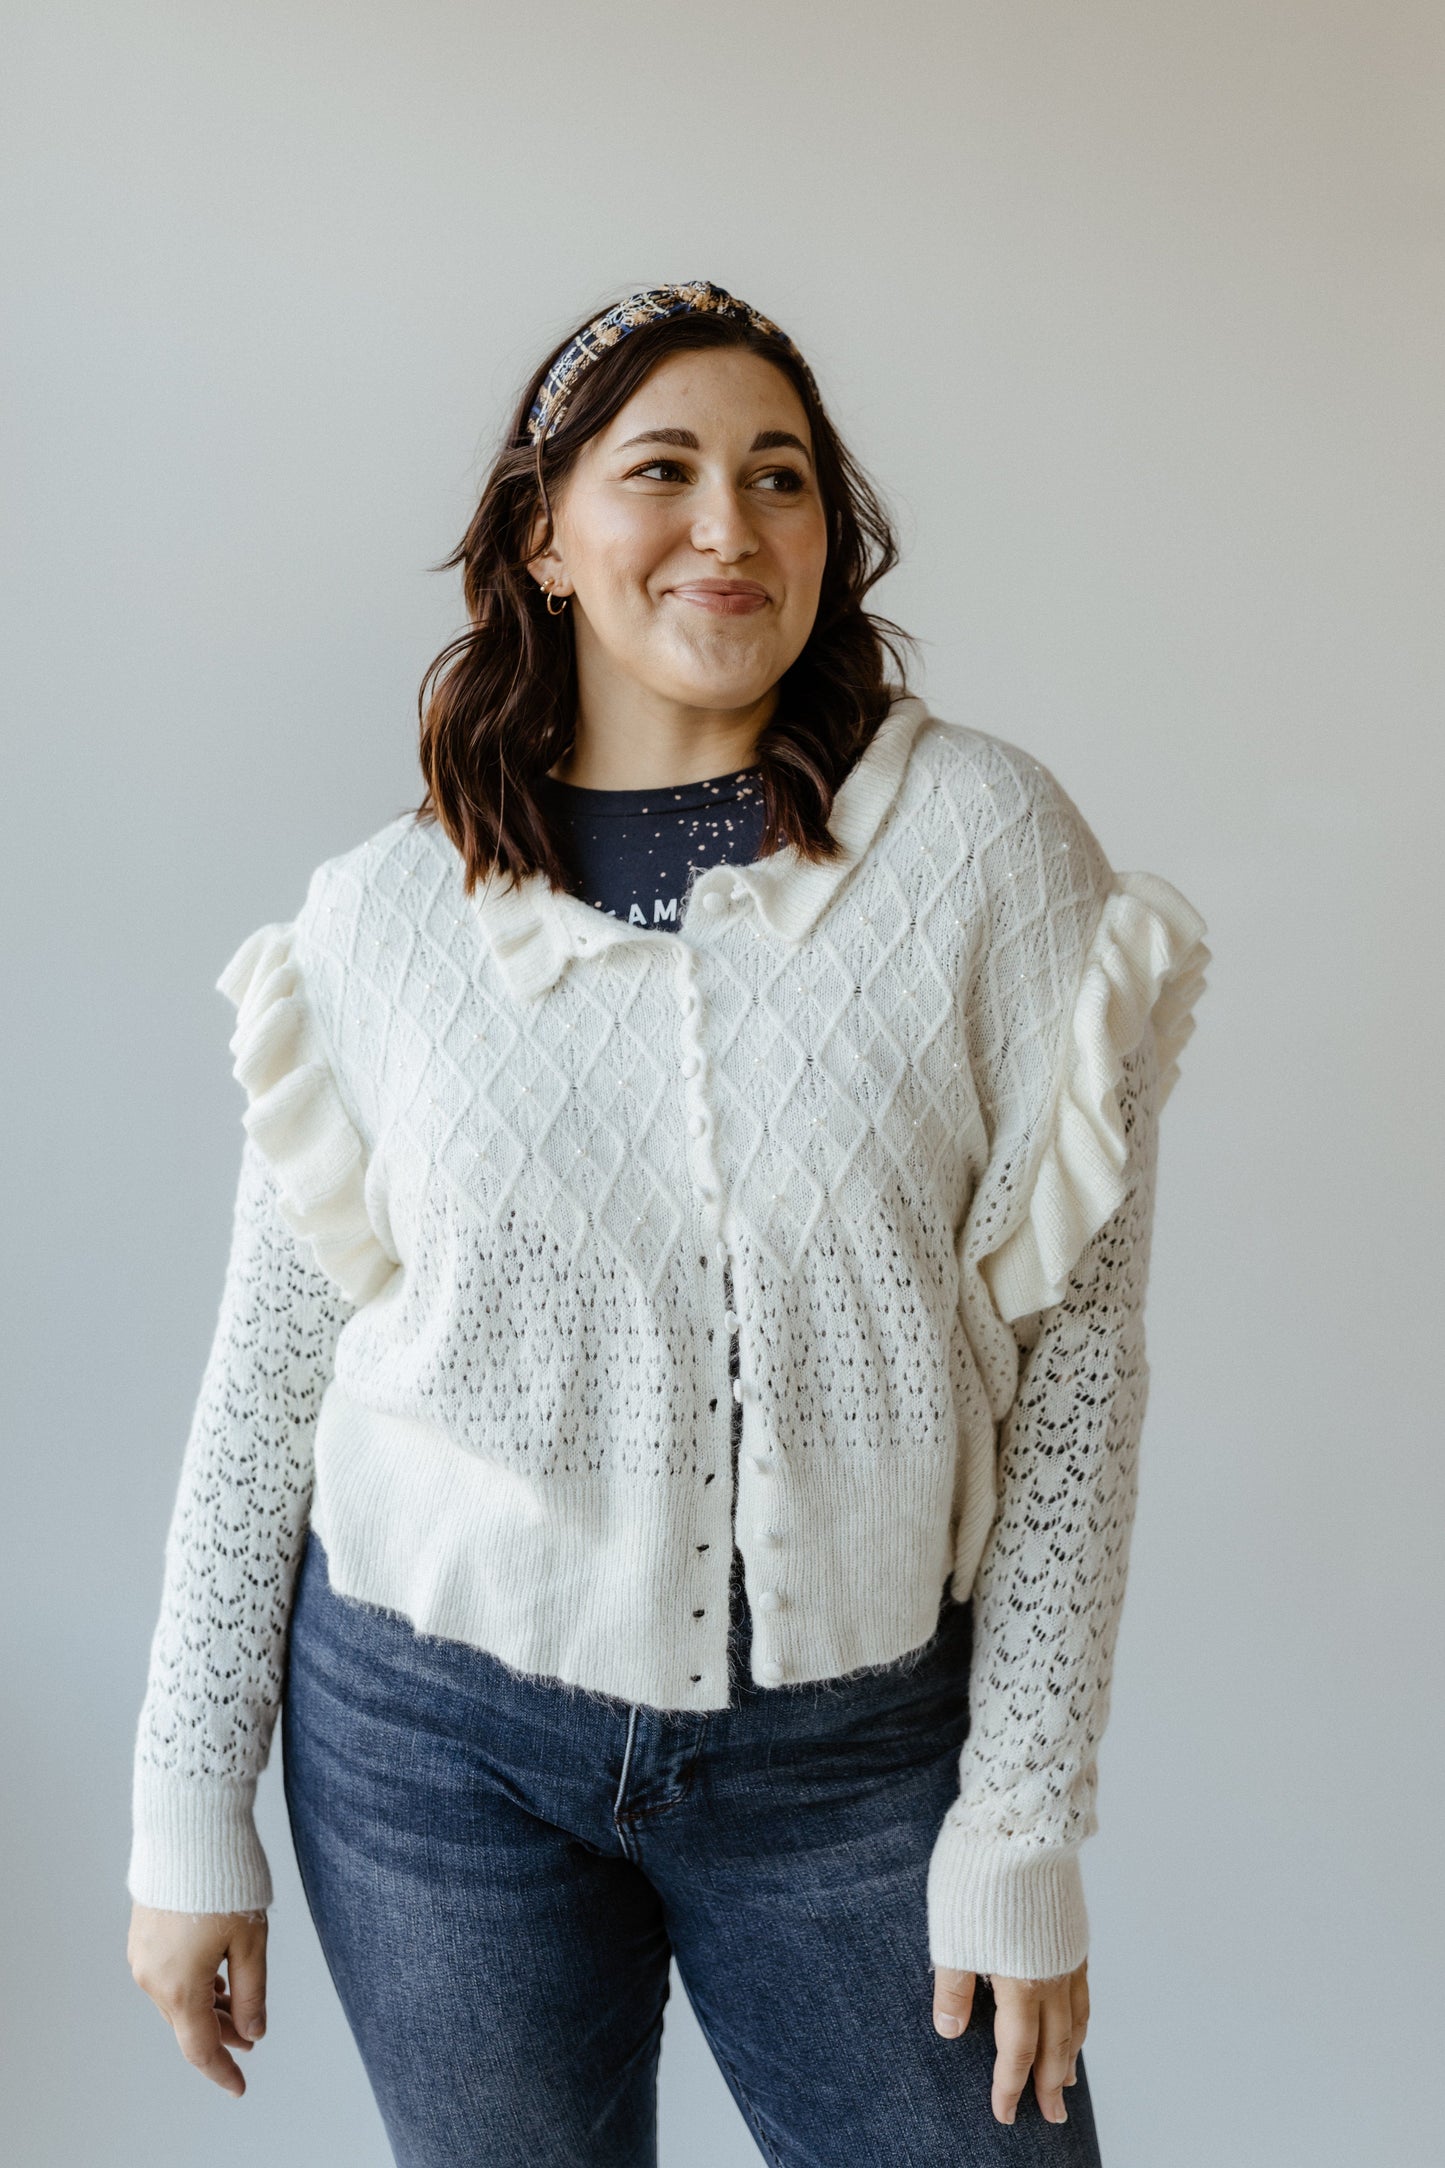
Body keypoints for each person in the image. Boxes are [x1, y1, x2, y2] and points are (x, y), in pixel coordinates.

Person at [125, 280, 1210, 2167]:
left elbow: (1080, 1361)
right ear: (544, 536)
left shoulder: (980, 851)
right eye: (665, 470)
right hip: (425, 1748)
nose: (730, 525)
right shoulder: (378, 923)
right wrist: (183, 1807)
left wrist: (1018, 1817)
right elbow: (270, 1375)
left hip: (856, 1758)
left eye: (779, 478)